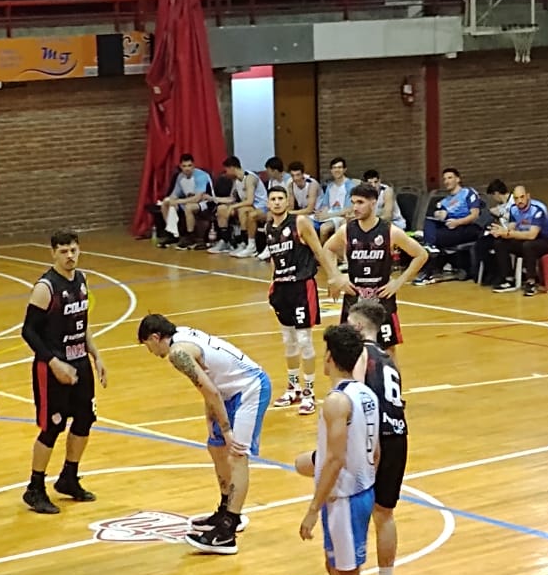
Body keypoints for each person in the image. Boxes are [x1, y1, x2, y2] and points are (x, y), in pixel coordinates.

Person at [296, 324, 423, 575]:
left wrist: (313, 509)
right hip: (362, 490)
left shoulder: (337, 402)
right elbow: (376, 450)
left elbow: (334, 459)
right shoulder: (366, 393)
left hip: (344, 499)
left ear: (329, 357)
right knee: (336, 569)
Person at [138, 314, 271, 555]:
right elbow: (209, 383)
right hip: (230, 392)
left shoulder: (177, 354)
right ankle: (225, 509)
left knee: (237, 455)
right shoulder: (181, 335)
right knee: (215, 447)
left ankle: (228, 531)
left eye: (147, 345)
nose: (150, 351)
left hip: (250, 388)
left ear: (156, 337)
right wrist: (211, 418)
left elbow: (210, 390)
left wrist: (227, 430)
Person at [21, 230, 108, 514]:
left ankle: (69, 477)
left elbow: (83, 324)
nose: (69, 256)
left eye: (73, 250)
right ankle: (35, 488)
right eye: (63, 251)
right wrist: (53, 363)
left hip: (80, 363)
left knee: (85, 419)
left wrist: (96, 355)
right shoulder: (45, 288)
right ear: (53, 253)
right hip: (52, 367)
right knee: (53, 427)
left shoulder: (81, 279)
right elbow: (28, 331)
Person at [347, 300, 407, 575]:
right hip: (399, 434)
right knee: (385, 513)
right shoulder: (388, 358)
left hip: (376, 437)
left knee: (355, 506)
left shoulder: (360, 354)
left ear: (358, 327)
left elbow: (359, 397)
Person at [325, 182, 430, 355]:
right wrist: (336, 277)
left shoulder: (390, 231)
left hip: (381, 299)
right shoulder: (347, 230)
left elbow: (421, 255)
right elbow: (327, 249)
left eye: (360, 202)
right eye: (353, 202)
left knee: (388, 351)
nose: (355, 207)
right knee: (350, 349)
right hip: (354, 297)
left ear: (373, 203)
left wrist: (398, 282)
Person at [263, 184, 341, 416]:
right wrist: (272, 282)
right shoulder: (269, 227)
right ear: (268, 203)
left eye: (280, 198)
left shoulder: (300, 222)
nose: (277, 202)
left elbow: (319, 250)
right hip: (282, 288)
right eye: (273, 199)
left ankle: (309, 391)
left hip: (301, 286)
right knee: (288, 340)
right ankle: (293, 387)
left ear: (288, 201)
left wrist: (333, 277)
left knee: (304, 340)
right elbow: (275, 258)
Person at [488, 184, 548, 296]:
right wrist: (501, 232)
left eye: (522, 197)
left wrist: (509, 233)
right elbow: (511, 229)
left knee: (529, 246)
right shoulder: (513, 209)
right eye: (516, 198)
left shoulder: (537, 210)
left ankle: (531, 282)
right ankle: (509, 279)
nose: (519, 201)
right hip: (525, 239)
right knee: (500, 243)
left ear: (528, 196)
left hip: (546, 241)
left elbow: (532, 235)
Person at [209, 156, 268, 257]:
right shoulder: (236, 180)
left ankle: (245, 243)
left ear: (232, 168)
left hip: (260, 207)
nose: (226, 173)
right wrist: (213, 199)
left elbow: (250, 201)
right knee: (221, 209)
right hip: (247, 206)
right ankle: (225, 241)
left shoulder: (249, 178)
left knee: (242, 210)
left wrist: (233, 207)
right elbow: (232, 199)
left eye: (226, 170)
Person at [157, 154, 215, 250]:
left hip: (206, 202)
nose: (187, 169)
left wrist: (179, 201)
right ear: (180, 166)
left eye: (189, 166)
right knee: (166, 203)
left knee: (189, 207)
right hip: (188, 201)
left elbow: (198, 198)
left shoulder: (201, 176)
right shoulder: (180, 177)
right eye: (184, 166)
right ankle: (172, 233)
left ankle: (190, 237)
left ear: (194, 165)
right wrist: (172, 201)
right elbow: (174, 194)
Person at [314, 157, 355, 243]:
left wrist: (328, 215)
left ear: (344, 169)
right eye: (334, 168)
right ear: (331, 170)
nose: (337, 170)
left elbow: (348, 209)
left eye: (339, 167)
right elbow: (326, 205)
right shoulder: (330, 186)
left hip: (342, 216)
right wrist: (321, 213)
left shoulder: (350, 186)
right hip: (330, 215)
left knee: (324, 229)